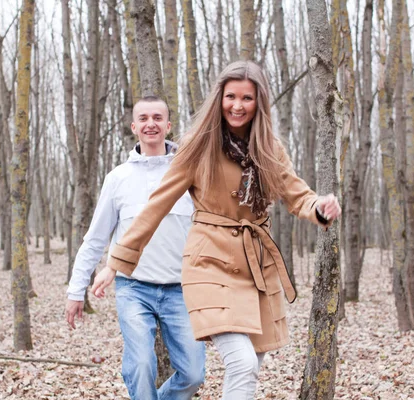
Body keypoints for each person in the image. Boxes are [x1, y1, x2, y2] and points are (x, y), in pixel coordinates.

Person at [92, 61, 341, 399]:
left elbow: (297, 195)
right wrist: (115, 263)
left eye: (247, 98)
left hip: (257, 269)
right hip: (210, 263)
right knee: (240, 362)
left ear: (259, 103)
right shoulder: (198, 146)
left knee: (252, 362)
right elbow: (156, 207)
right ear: (219, 99)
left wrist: (320, 208)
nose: (237, 105)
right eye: (231, 97)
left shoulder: (270, 148)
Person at [66, 96, 205, 400]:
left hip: (182, 289)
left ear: (168, 125)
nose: (151, 124)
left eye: (158, 118)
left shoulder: (189, 174)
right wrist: (76, 290)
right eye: (143, 118)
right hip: (133, 287)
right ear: (134, 127)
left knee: (194, 374)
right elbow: (96, 238)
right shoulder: (118, 179)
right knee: (141, 365)